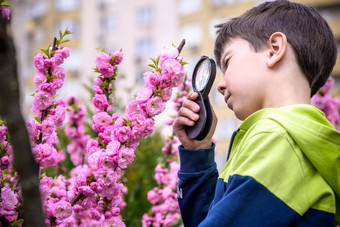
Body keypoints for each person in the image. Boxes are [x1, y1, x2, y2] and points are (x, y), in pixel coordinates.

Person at [173, 0, 340, 226]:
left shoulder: (276, 138)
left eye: (228, 62)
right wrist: (197, 152)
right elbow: (208, 219)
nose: (220, 85)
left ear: (274, 50)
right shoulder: (292, 140)